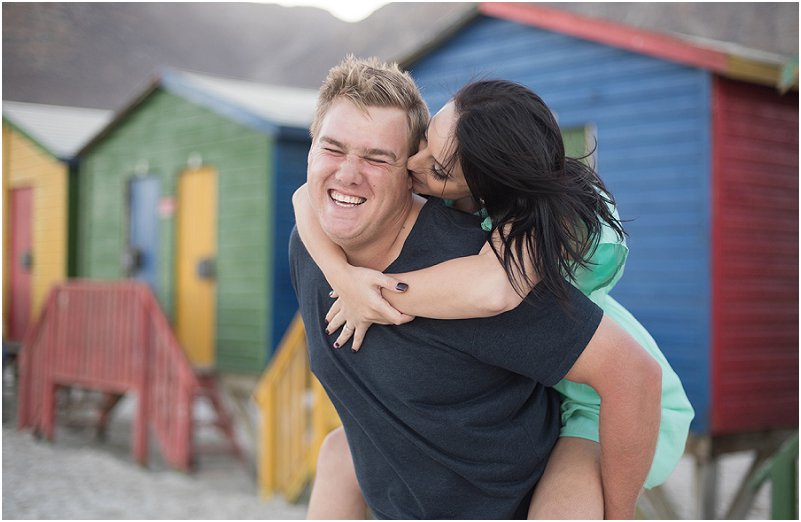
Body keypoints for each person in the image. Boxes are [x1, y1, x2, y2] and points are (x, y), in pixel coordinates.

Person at [294, 77, 694, 518]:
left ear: (486, 187)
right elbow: (302, 198)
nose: (413, 163)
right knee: (338, 451)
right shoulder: (456, 185)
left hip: (601, 404)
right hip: (553, 378)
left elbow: (492, 291)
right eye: (424, 141)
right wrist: (342, 277)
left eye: (439, 170)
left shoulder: (536, 230)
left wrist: (373, 295)